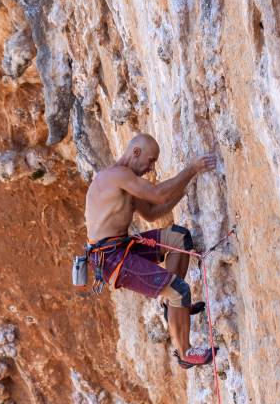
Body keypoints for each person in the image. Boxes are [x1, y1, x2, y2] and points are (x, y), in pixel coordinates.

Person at [85, 133, 218, 368]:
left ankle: (173, 308)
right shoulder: (117, 176)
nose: (150, 167)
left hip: (122, 247)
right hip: (111, 259)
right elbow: (158, 195)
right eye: (150, 160)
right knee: (179, 290)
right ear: (135, 152)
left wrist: (185, 189)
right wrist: (192, 169)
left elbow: (151, 214)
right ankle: (185, 353)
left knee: (178, 238)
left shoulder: (127, 181)